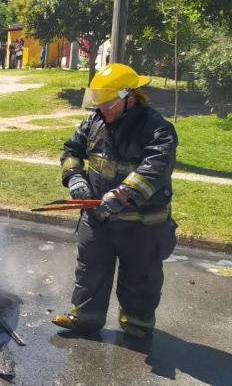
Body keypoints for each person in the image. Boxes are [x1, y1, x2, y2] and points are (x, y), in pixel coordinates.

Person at [52, 63, 178, 338]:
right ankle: (85, 317)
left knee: (140, 274)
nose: (102, 109)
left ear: (130, 98)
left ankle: (137, 321)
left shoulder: (157, 128)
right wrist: (75, 176)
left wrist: (123, 193)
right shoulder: (94, 121)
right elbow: (71, 149)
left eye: (108, 104)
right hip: (97, 217)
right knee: (90, 268)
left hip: (140, 223)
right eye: (99, 103)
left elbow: (156, 167)